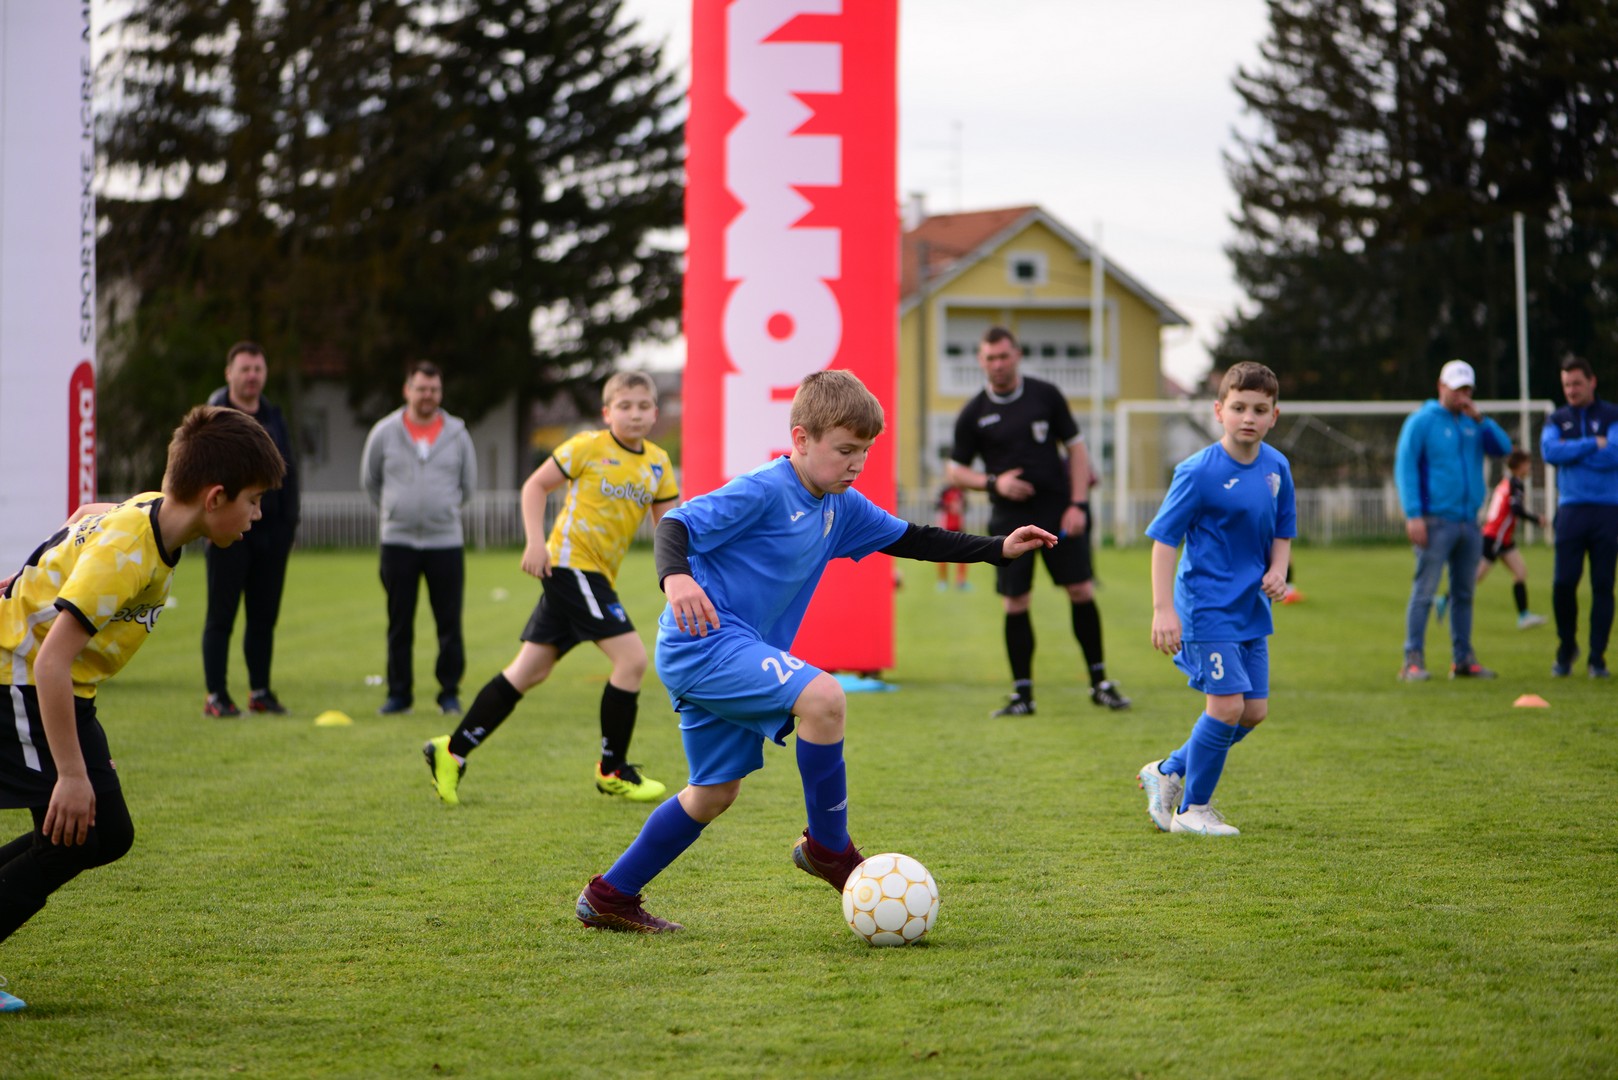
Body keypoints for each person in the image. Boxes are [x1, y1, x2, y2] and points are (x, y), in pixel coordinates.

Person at [573, 370, 1057, 932]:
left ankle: (610, 895)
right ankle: (829, 848)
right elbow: (676, 524)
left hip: (729, 649)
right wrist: (675, 580)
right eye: (845, 450)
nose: (857, 463)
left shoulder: (841, 505)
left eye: (865, 452)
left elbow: (913, 538)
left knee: (711, 794)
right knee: (825, 697)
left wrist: (998, 548)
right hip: (704, 642)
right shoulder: (766, 487)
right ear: (802, 439)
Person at [0, 406, 285, 1012]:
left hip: (59, 687)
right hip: (20, 680)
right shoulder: (129, 556)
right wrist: (73, 777)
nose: (258, 516)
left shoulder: (156, 511)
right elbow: (51, 659)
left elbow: (90, 513)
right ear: (215, 497)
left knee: (106, 834)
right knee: (81, 831)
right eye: (254, 501)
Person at [422, 372, 680, 806]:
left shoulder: (658, 462)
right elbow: (535, 486)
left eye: (643, 406)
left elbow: (669, 526)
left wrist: (682, 572)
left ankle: (451, 751)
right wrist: (535, 542)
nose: (635, 413)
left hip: (594, 576)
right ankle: (612, 769)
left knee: (528, 672)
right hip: (569, 566)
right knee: (633, 660)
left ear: (656, 412)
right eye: (625, 405)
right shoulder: (587, 446)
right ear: (607, 412)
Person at [1136, 362, 1295, 837]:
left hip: (1251, 607)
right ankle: (1193, 811)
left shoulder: (1277, 466)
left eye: (1260, 409)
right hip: (1205, 607)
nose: (1249, 417)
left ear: (1274, 416)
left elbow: (1283, 529)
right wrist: (1164, 609)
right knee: (1225, 708)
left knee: (1252, 711)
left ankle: (1167, 770)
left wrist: (1278, 571)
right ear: (1219, 410)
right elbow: (1165, 541)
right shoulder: (1198, 471)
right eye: (1239, 407)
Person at [945, 326, 1130, 716]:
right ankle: (1022, 694)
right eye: (990, 358)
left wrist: (1078, 503)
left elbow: (1077, 451)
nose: (998, 364)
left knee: (1080, 590)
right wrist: (995, 482)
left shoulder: (1046, 396)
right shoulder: (974, 412)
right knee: (1016, 600)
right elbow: (955, 470)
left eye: (1004, 356)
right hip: (1009, 520)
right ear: (981, 361)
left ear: (1018, 355)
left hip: (1059, 512)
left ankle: (1100, 682)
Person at [360, 361, 478, 716]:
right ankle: (399, 695)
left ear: (440, 393)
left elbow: (467, 485)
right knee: (399, 622)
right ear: (406, 390)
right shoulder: (384, 432)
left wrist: (443, 511)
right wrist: (397, 511)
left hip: (446, 542)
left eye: (434, 389)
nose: (427, 395)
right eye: (421, 388)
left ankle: (449, 693)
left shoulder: (457, 433)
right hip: (398, 542)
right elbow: (371, 481)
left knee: (449, 623)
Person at [1393, 359, 1511, 681]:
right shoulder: (1421, 421)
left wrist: (1482, 420)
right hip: (1434, 522)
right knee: (1425, 591)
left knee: (1464, 593)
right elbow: (1405, 467)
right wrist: (1414, 514)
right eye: (1456, 388)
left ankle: (1463, 660)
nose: (1462, 395)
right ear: (1441, 387)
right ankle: (1412, 660)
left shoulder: (1474, 424)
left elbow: (1504, 448)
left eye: (1467, 389)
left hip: (1468, 522)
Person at [201, 341, 301, 717]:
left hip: (272, 534)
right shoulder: (215, 416)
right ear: (229, 373)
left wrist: (289, 524)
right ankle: (217, 696)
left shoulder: (274, 417)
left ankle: (260, 691)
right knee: (221, 616)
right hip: (228, 533)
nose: (252, 376)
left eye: (258, 369)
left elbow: (290, 472)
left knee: (263, 618)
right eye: (245, 369)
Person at [1540, 357, 1618, 678]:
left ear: (1592, 382)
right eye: (1566, 385)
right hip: (1571, 509)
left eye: (1577, 384)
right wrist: (1590, 445)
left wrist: (1573, 452)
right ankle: (1566, 645)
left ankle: (1597, 656)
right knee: (1563, 583)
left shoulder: (1612, 415)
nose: (1571, 390)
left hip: (1607, 510)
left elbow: (1614, 454)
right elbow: (1549, 453)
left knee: (1603, 584)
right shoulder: (1557, 418)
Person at [1447, 449, 1546, 630]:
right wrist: (1537, 519)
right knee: (1477, 576)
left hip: (1502, 537)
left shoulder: (1506, 482)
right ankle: (1446, 599)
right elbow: (1516, 510)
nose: (1530, 467)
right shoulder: (1516, 484)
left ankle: (1524, 616)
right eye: (1527, 463)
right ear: (1520, 465)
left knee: (1520, 572)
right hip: (1496, 537)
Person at [933, 485, 969, 590]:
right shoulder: (944, 491)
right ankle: (942, 581)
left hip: (959, 526)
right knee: (942, 555)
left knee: (964, 555)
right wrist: (949, 506)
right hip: (946, 527)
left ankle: (961, 581)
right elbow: (937, 505)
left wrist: (961, 506)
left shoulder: (961, 492)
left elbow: (965, 506)